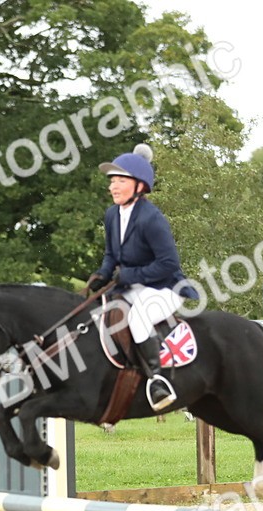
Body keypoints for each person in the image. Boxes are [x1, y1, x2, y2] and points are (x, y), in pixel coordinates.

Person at [87, 144, 199, 412]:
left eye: (120, 181)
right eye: (112, 181)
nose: (113, 187)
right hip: (133, 286)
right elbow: (111, 254)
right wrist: (102, 275)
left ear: (139, 186)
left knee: (138, 317)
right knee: (98, 314)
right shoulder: (112, 214)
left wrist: (130, 275)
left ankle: (157, 381)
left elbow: (169, 264)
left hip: (166, 287)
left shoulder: (152, 218)